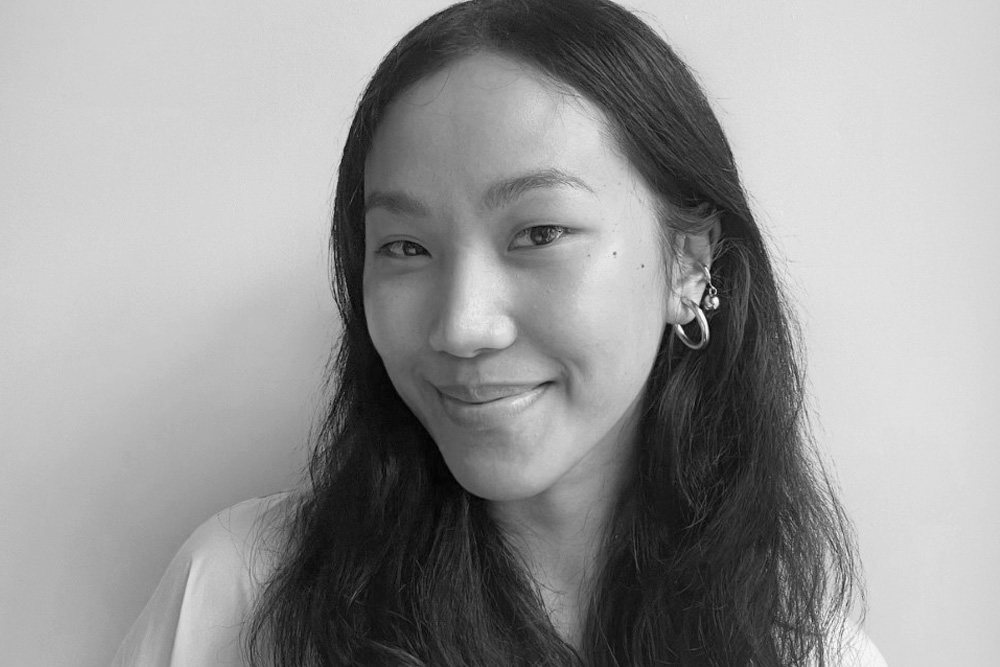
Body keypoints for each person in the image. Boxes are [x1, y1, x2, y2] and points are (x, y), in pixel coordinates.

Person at [113, 1, 889, 665]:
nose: (461, 326)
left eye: (540, 231)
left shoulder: (806, 649)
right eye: (405, 248)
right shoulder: (239, 595)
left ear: (688, 263)